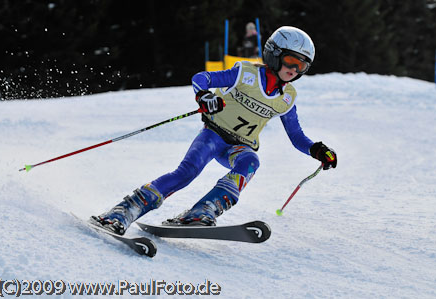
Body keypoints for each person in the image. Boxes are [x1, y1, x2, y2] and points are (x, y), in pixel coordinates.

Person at [91, 26, 337, 235]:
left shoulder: (287, 97)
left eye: (302, 66)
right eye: (291, 61)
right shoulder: (246, 74)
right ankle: (122, 211)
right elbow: (202, 78)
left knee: (251, 161)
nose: (295, 70)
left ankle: (203, 211)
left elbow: (296, 137)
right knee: (187, 172)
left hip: (239, 147)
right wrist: (205, 96)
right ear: (274, 54)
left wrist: (317, 150)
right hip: (214, 135)